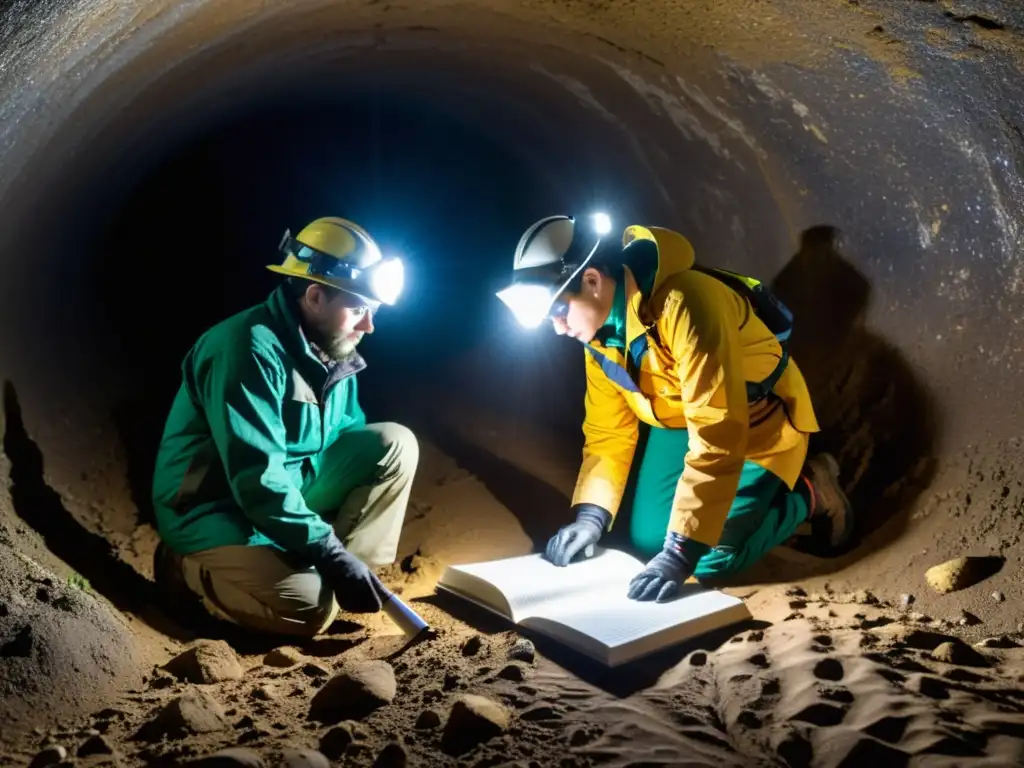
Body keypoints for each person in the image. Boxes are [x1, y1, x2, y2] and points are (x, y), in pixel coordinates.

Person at [495, 214, 853, 603]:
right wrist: (591, 516)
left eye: (559, 311)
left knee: (703, 559)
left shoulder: (684, 302)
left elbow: (718, 430)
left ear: (593, 281)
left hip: (754, 422)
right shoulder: (598, 340)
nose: (559, 329)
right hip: (683, 420)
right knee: (651, 539)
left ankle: (811, 492)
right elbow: (608, 431)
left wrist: (682, 553)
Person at [150, 216, 418, 637]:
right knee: (311, 611)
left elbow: (349, 436)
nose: (369, 326)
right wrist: (327, 550)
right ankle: (187, 569)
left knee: (396, 444)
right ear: (314, 297)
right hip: (216, 507)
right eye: (360, 309)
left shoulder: (333, 349)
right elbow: (257, 478)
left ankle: (346, 575)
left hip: (286, 488)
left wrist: (333, 551)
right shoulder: (246, 348)